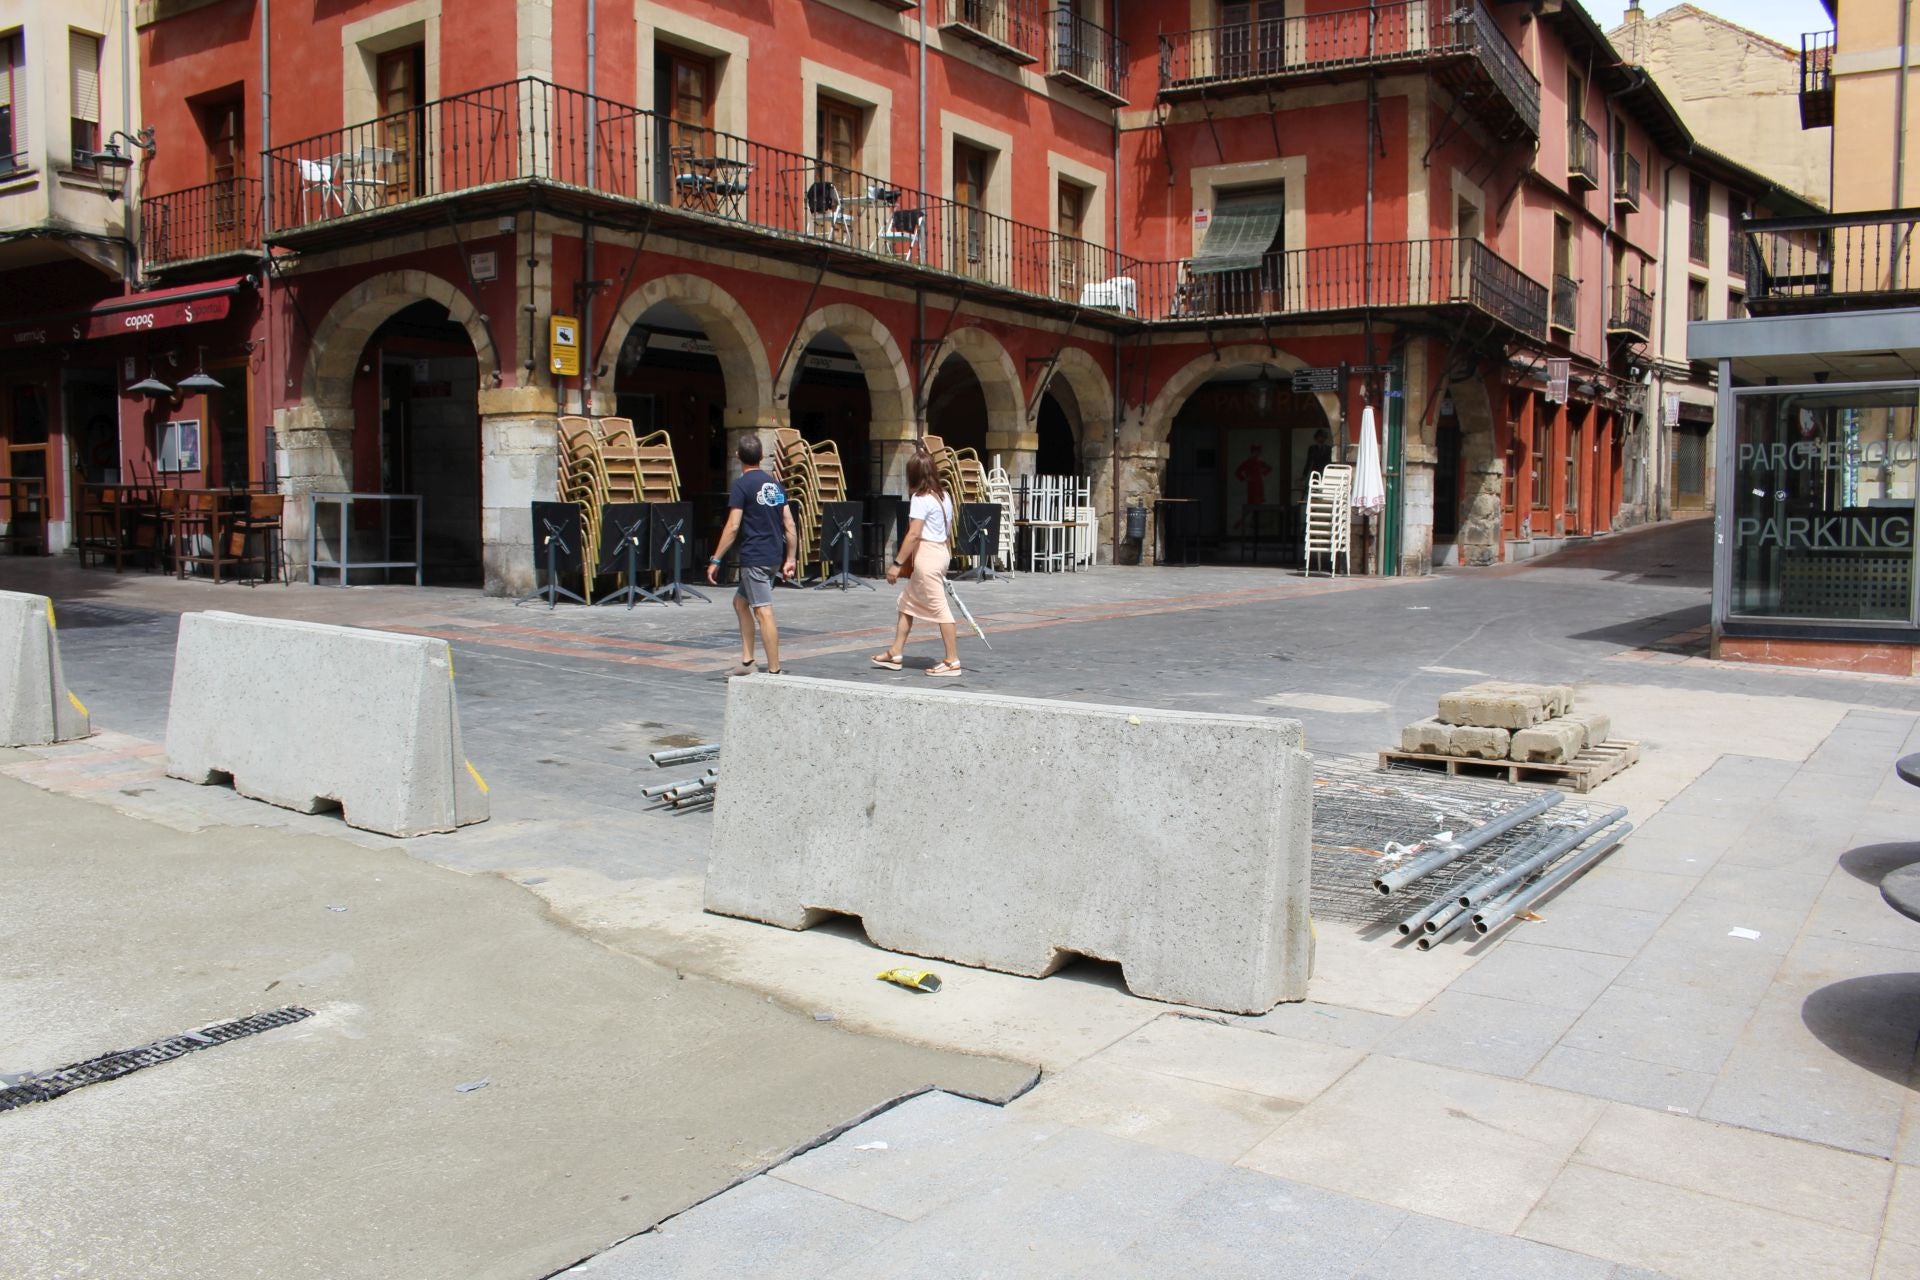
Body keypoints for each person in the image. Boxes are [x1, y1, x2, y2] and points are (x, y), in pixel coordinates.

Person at [707, 435, 798, 676]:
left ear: (738, 457)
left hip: (755, 557)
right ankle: (747, 661)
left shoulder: (741, 485)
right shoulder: (775, 485)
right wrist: (791, 558)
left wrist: (716, 558)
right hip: (773, 556)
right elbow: (789, 523)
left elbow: (733, 526)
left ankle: (774, 670)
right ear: (761, 457)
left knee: (763, 611)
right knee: (740, 603)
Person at [871, 451, 962, 677]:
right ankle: (896, 652)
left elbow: (913, 534)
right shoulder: (944, 496)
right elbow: (948, 530)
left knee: (941, 609)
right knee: (906, 602)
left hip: (928, 556)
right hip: (940, 551)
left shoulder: (920, 499)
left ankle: (952, 660)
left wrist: (897, 563)